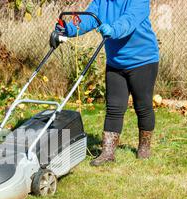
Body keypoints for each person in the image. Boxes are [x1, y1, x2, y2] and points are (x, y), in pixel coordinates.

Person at [55, 0, 160, 165]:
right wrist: (67, 30)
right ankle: (108, 152)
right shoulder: (101, 1)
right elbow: (89, 19)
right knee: (114, 107)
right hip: (115, 62)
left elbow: (129, 20)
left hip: (143, 60)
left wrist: (113, 30)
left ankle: (144, 147)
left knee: (143, 105)